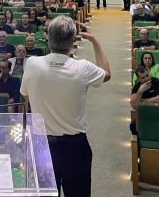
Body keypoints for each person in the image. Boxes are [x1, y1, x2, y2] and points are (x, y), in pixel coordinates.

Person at [21, 17, 110, 196]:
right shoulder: (83, 67)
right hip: (74, 146)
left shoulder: (32, 63)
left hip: (42, 145)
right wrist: (94, 40)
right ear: (72, 41)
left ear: (48, 38)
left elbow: (25, 95)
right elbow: (106, 73)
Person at [129, 65, 159, 134]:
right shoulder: (137, 87)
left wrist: (143, 101)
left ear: (148, 72)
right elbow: (133, 105)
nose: (146, 79)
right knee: (133, 126)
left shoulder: (158, 82)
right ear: (138, 79)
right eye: (143, 78)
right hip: (146, 113)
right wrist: (140, 91)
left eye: (147, 75)